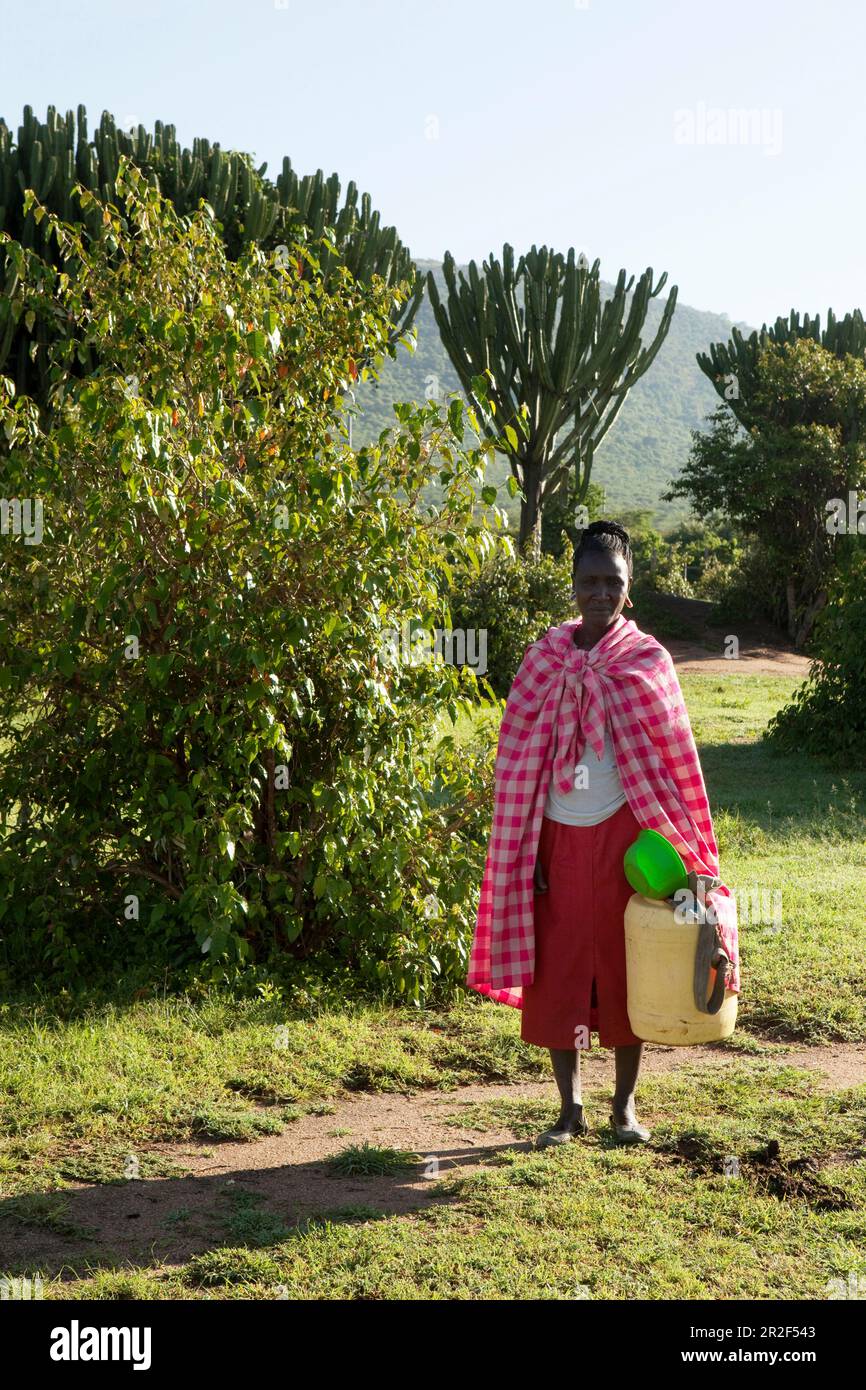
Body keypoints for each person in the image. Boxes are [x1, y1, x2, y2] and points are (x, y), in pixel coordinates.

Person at [466, 520, 740, 1150]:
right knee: (559, 973)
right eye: (588, 580)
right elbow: (516, 760)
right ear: (572, 585)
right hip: (556, 839)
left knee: (627, 971)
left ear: (629, 589)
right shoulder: (543, 660)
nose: (599, 593)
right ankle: (568, 1110)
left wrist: (687, 848)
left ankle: (624, 1109)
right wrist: (526, 849)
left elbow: (675, 762)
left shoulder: (647, 661)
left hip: (627, 843)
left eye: (611, 582)